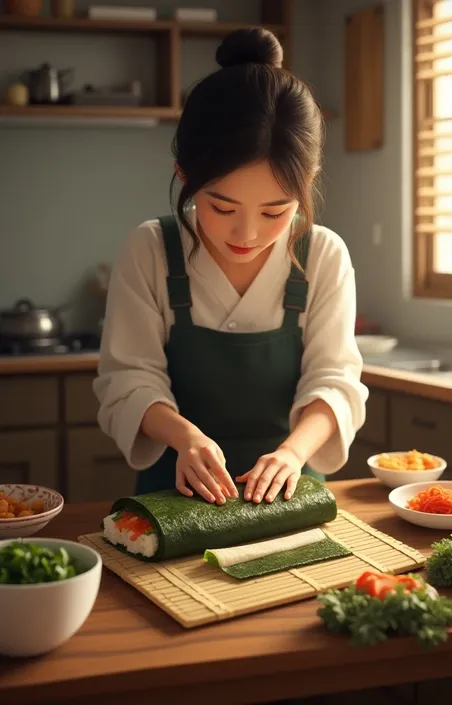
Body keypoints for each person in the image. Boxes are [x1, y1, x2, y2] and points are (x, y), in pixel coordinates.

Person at [93, 27, 368, 507]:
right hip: (172, 497)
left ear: (309, 183)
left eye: (275, 212)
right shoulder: (151, 249)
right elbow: (128, 379)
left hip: (288, 496)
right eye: (222, 208)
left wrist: (290, 452)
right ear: (185, 175)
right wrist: (186, 439)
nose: (247, 235)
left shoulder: (322, 256)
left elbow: (336, 380)